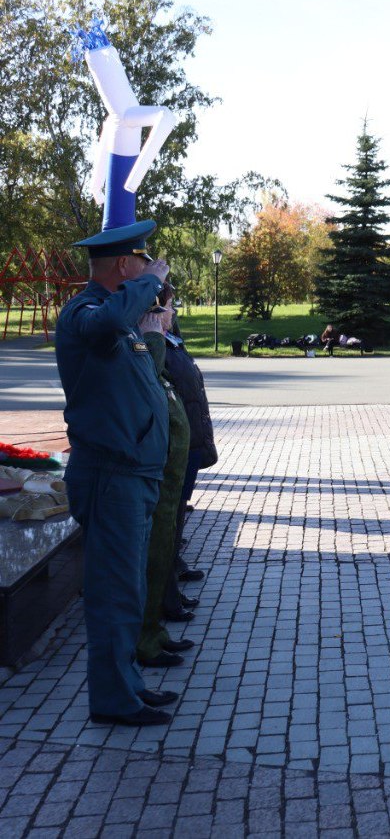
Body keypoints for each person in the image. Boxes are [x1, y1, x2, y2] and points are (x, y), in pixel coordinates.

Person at [54, 219, 177, 726]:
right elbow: (106, 326)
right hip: (111, 476)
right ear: (125, 266)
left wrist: (150, 333)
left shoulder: (120, 323)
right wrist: (151, 282)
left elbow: (140, 381)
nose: (150, 272)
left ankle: (126, 684)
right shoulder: (86, 313)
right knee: (112, 594)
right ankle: (112, 700)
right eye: (142, 264)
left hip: (132, 475)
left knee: (129, 589)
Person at [136, 285, 192, 669]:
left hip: (169, 482)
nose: (170, 316)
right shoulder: (147, 347)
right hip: (154, 478)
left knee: (162, 555)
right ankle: (146, 639)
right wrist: (153, 337)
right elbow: (150, 378)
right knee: (152, 558)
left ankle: (154, 631)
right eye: (166, 309)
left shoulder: (157, 344)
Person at [163, 317, 217, 585]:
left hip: (190, 436)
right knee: (171, 506)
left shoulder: (172, 342)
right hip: (175, 440)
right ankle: (167, 574)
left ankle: (174, 563)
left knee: (180, 504)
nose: (173, 313)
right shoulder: (154, 345)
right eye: (170, 306)